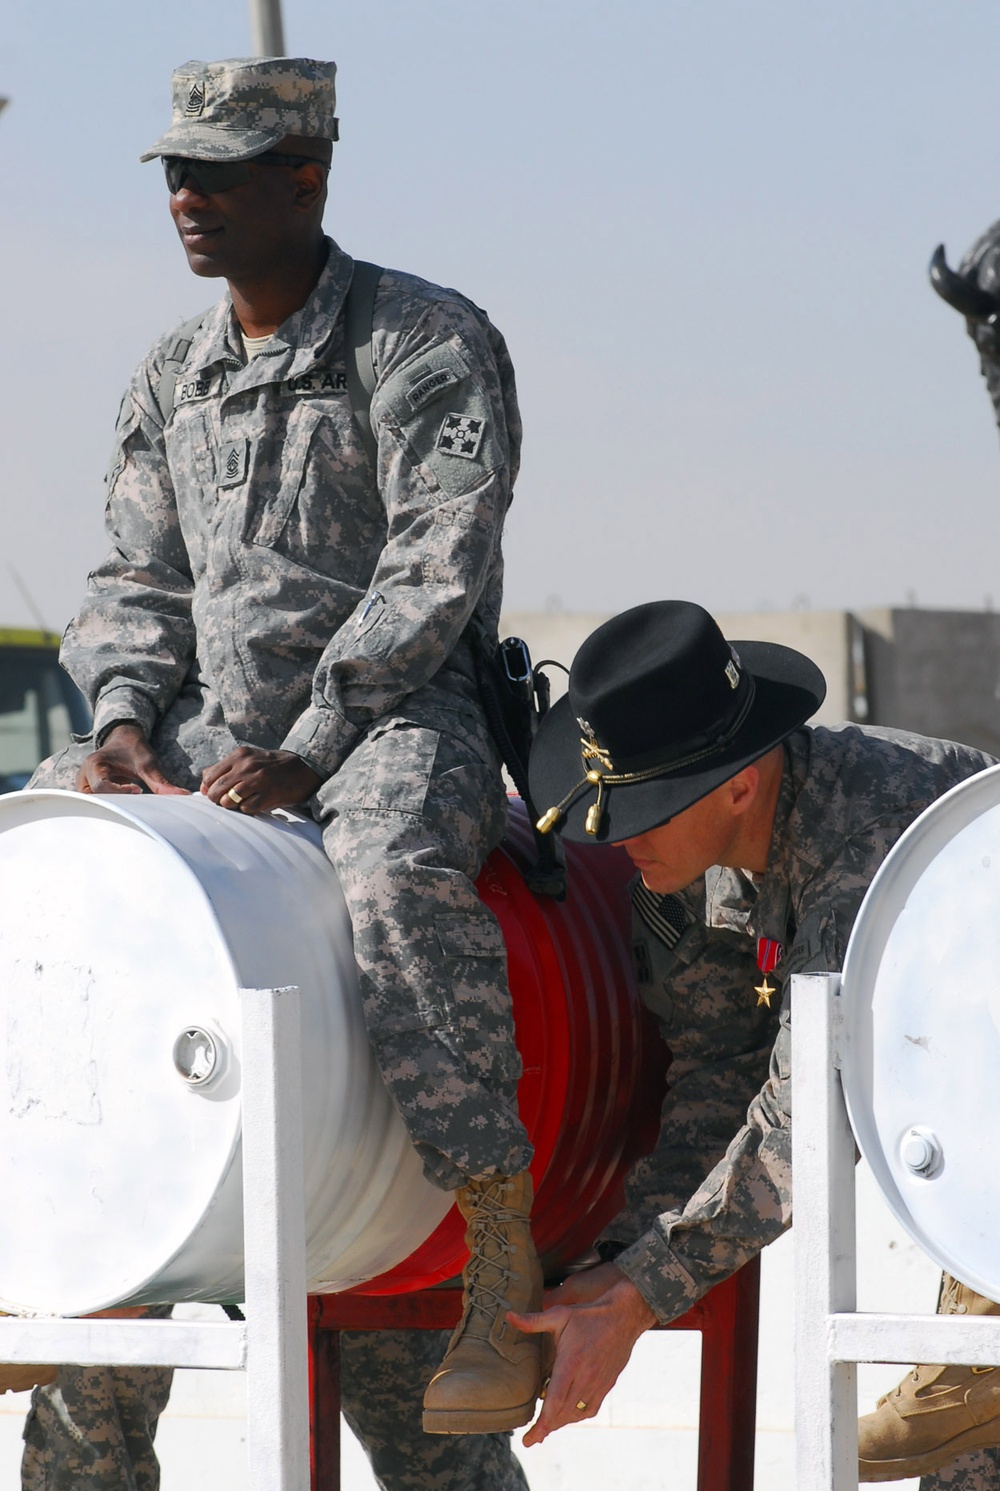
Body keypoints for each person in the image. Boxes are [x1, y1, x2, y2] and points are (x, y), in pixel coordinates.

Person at [20, 52, 544, 1491]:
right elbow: (134, 569)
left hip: (395, 719)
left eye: (222, 171)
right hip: (202, 731)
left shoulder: (421, 337)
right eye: (176, 171)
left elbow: (439, 559)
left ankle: (495, 1234)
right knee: (45, 858)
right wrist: (124, 712)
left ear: (307, 176)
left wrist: (314, 741)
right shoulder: (171, 373)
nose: (188, 197)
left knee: (386, 877)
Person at [508, 598, 1000, 1488]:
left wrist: (645, 1291)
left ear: (738, 784)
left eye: (642, 810)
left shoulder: (867, 839)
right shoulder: (681, 867)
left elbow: (807, 1121)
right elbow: (717, 1071)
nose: (616, 839)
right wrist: (620, 1260)